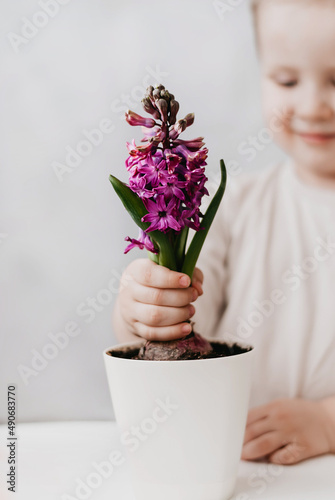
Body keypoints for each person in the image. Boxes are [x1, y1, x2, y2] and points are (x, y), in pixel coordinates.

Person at [112, 0, 335, 465]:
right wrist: (141, 310)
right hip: (224, 465)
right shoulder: (233, 209)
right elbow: (177, 324)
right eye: (287, 80)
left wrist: (328, 421)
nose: (313, 106)